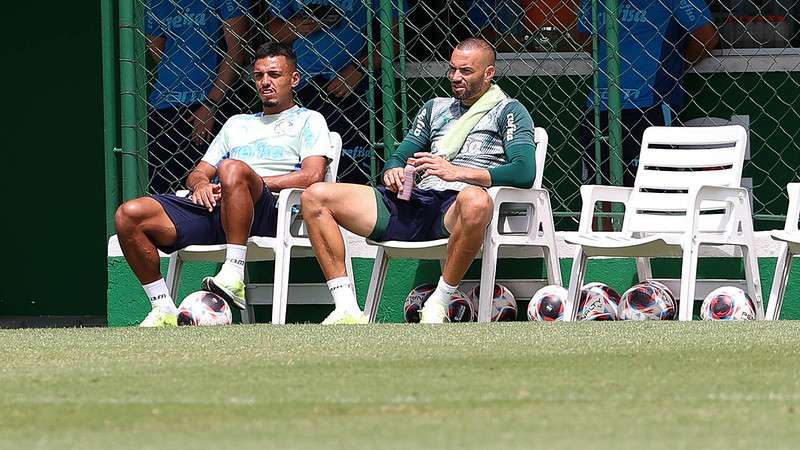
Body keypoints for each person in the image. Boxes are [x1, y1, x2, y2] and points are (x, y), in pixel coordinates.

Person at [302, 38, 537, 324]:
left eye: (466, 71)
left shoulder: (508, 110)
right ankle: (346, 308)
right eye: (452, 70)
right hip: (415, 198)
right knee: (315, 196)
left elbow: (524, 172)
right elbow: (400, 155)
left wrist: (456, 172)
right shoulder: (434, 108)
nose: (456, 78)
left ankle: (439, 302)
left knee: (476, 199)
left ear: (488, 73)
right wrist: (393, 170)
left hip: (455, 207)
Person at [115, 43, 334, 327]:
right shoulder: (236, 124)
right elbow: (199, 172)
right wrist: (202, 185)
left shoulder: (309, 120)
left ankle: (233, 272)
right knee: (129, 213)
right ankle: (163, 307)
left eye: (275, 74)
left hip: (270, 212)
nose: (266, 82)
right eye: (259, 76)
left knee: (232, 169)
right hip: (220, 207)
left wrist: (242, 182)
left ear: (294, 79)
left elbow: (312, 176)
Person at [576, 0, 720, 188]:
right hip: (603, 106)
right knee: (598, 196)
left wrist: (673, 66)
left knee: (652, 194)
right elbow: (585, 37)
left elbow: (706, 37)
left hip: (649, 106)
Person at [265, 0, 404, 184]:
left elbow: (394, 37)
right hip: (303, 85)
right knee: (301, 162)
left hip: (354, 86)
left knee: (352, 170)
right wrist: (299, 25)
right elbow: (271, 31)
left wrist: (359, 69)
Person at [145, 0, 250, 194]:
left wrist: (211, 104)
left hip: (208, 100)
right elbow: (157, 48)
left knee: (208, 184)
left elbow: (236, 51)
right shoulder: (158, 3)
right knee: (162, 187)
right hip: (164, 103)